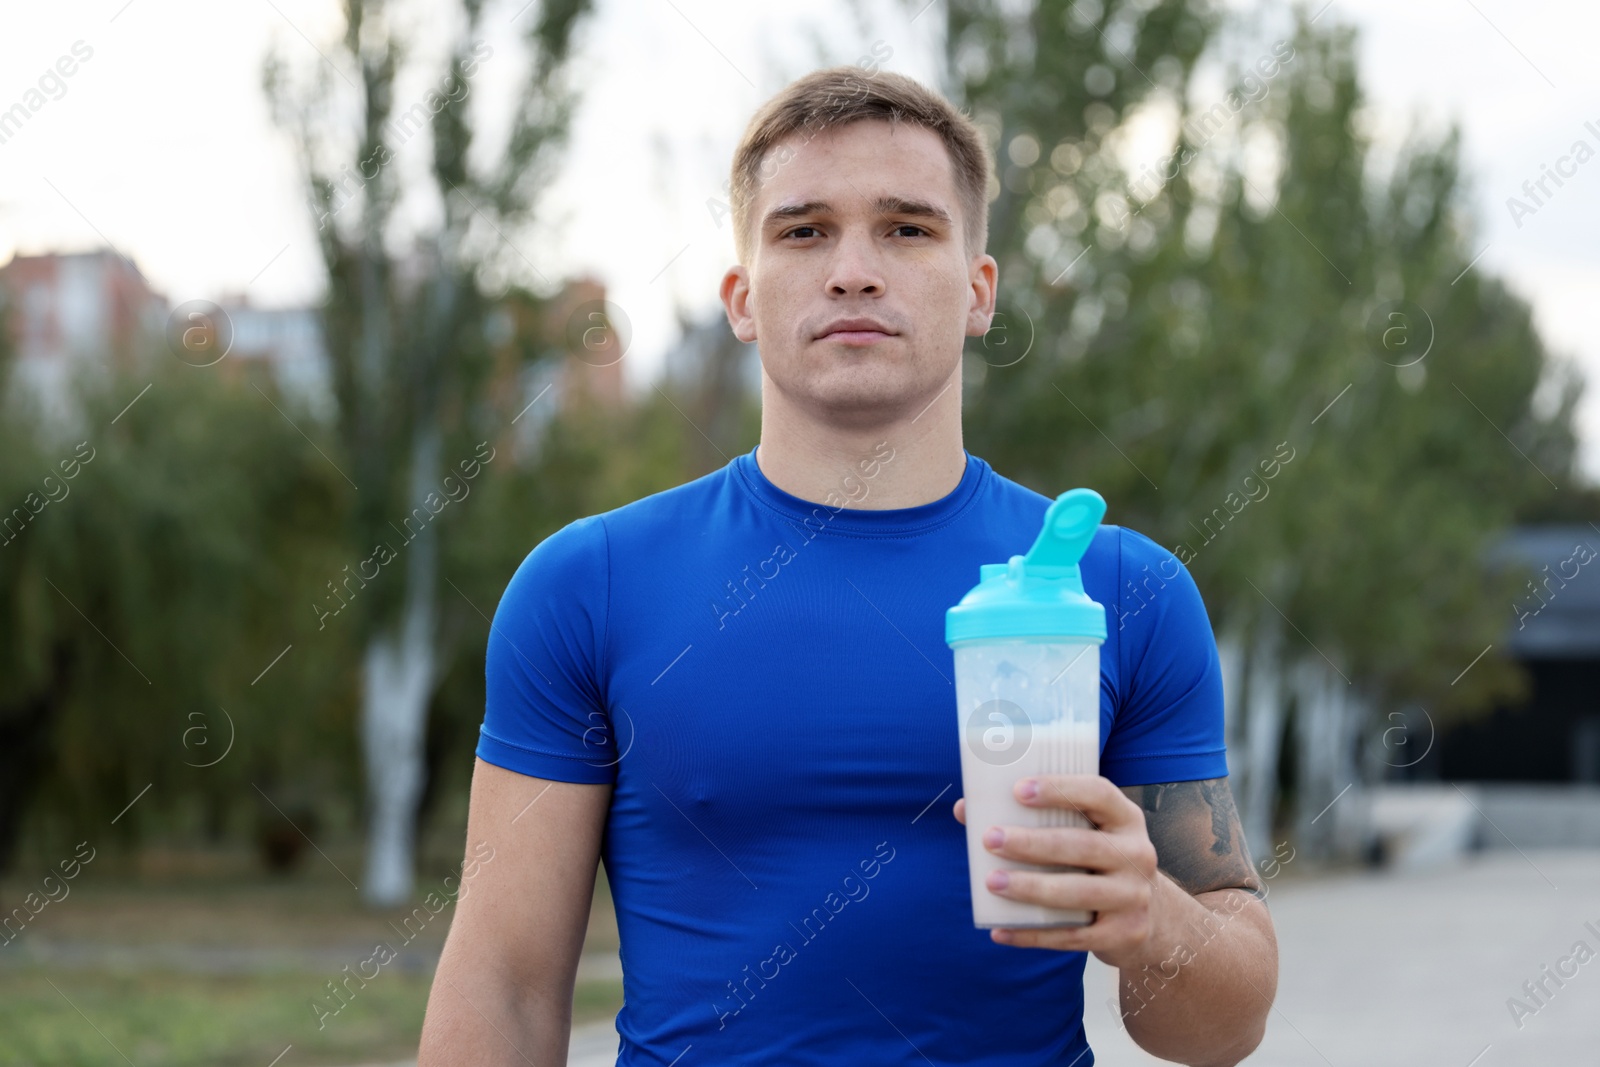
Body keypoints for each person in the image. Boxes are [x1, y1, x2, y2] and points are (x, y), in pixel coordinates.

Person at [418, 65, 1277, 1066]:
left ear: (979, 290)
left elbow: (1223, 1029)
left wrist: (1153, 920)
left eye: (907, 228)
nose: (853, 270)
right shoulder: (587, 584)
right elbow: (506, 984)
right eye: (803, 230)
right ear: (741, 297)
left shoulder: (1121, 590)